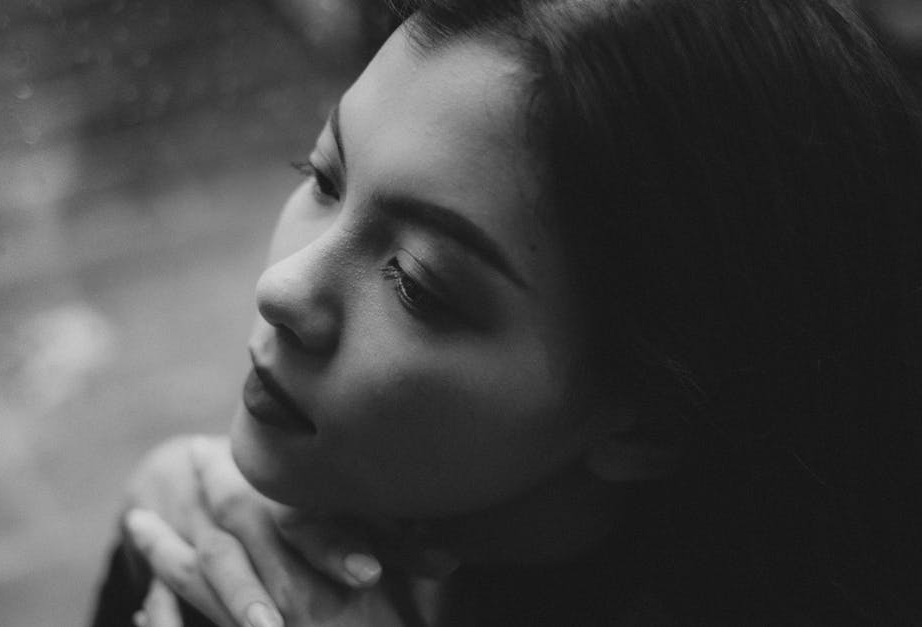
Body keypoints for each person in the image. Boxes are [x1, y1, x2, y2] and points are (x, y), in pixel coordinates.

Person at [93, 0, 922, 624]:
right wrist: (157, 526)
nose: (283, 288)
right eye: (324, 176)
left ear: (645, 425)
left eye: (416, 284)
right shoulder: (279, 527)